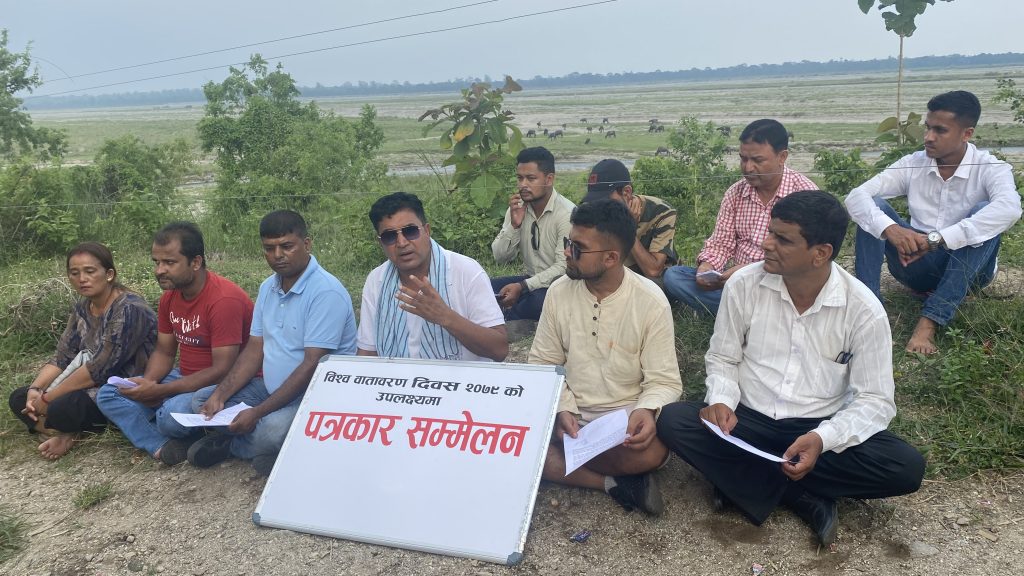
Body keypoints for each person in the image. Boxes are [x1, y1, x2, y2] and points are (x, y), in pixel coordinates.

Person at [657, 191, 926, 546]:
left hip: (814, 428)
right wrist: (721, 400)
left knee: (905, 467)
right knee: (673, 421)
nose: (766, 244)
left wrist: (823, 438)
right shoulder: (744, 284)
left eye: (782, 239)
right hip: (746, 420)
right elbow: (724, 358)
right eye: (770, 232)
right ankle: (801, 496)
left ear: (821, 253)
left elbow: (875, 401)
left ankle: (739, 481)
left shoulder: (863, 310)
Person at [528, 200, 682, 515]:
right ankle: (613, 484)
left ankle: (568, 460)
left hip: (623, 424)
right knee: (520, 441)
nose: (567, 253)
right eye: (568, 242)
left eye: (578, 249)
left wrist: (646, 410)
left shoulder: (650, 302)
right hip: (571, 418)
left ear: (611, 258)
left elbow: (664, 381)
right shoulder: (558, 292)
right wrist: (561, 409)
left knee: (654, 450)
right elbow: (543, 363)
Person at [845, 90, 1022, 354]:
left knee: (986, 212)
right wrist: (891, 229)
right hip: (915, 263)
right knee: (874, 207)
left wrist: (938, 240)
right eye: (928, 127)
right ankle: (869, 311)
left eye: (940, 130)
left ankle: (929, 322)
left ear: (967, 133)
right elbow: (856, 196)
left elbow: (1010, 208)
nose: (928, 137)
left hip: (972, 270)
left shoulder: (991, 168)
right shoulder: (913, 163)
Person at [187, 210, 357, 475]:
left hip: (315, 395)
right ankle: (272, 447)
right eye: (269, 248)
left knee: (271, 431)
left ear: (307, 244)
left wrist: (257, 413)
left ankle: (235, 446)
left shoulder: (326, 292)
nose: (278, 255)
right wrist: (221, 395)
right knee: (203, 400)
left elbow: (312, 364)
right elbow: (255, 349)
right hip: (270, 388)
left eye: (287, 246)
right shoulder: (268, 287)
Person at [96, 223, 254, 465]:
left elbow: (222, 369)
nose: (159, 270)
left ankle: (181, 429)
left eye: (169, 262)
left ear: (196, 262)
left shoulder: (223, 300)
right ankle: (163, 445)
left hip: (220, 383)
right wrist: (149, 384)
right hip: (185, 377)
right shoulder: (169, 298)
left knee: (169, 415)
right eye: (156, 262)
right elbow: (164, 351)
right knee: (108, 394)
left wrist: (162, 391)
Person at [10, 242, 157, 459]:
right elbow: (63, 356)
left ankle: (63, 430)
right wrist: (37, 389)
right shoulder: (83, 307)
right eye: (74, 273)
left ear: (109, 274)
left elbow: (99, 370)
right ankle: (63, 432)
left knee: (61, 407)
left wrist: (48, 399)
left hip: (118, 390)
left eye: (90, 271)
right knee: (20, 398)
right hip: (85, 384)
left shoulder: (129, 309)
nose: (82, 279)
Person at [662, 119, 818, 315]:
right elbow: (721, 243)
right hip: (737, 283)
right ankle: (751, 312)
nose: (748, 167)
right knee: (674, 277)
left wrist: (752, 270)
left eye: (757, 160)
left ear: (782, 157)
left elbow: (805, 257)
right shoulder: (735, 193)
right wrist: (707, 267)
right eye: (743, 159)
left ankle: (742, 311)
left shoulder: (806, 195)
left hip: (782, 282)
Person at [357, 192, 508, 361]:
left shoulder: (465, 271)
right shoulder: (377, 280)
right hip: (395, 377)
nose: (402, 243)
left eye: (410, 231)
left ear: (427, 231)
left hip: (458, 377)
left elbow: (499, 350)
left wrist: (446, 317)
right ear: (381, 243)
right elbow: (367, 354)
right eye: (390, 236)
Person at [491, 146, 576, 321]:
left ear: (549, 179)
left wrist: (522, 286)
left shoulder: (566, 214)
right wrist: (514, 226)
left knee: (538, 302)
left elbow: (563, 267)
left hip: (560, 285)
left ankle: (505, 318)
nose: (523, 185)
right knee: (485, 286)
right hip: (530, 280)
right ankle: (505, 314)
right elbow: (500, 257)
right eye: (520, 178)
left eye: (531, 178)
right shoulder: (517, 209)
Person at [581, 158, 678, 282]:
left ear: (626, 192)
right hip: (613, 275)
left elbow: (653, 271)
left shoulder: (661, 211)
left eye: (605, 200)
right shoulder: (593, 211)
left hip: (650, 278)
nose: (600, 206)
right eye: (594, 200)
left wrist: (628, 227)